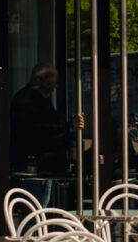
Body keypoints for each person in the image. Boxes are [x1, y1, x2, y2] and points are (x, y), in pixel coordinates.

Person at [9, 62, 85, 203]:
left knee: (38, 208)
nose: (54, 87)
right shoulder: (28, 100)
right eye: (51, 83)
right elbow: (40, 131)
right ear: (39, 80)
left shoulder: (38, 99)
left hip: (39, 166)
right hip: (33, 166)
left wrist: (67, 129)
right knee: (35, 209)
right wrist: (67, 128)